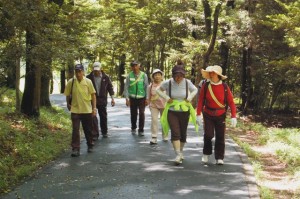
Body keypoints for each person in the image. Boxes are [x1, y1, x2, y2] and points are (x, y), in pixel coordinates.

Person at [156, 61, 198, 165]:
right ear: (173, 75)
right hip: (172, 110)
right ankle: (178, 154)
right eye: (176, 75)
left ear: (183, 75)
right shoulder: (168, 82)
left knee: (183, 133)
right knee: (175, 132)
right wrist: (166, 97)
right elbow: (158, 90)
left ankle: (181, 151)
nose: (178, 78)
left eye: (181, 76)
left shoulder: (187, 82)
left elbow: (195, 90)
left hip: (184, 110)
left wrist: (189, 97)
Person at [196, 65, 237, 165]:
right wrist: (198, 114)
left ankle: (219, 157)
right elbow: (201, 100)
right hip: (208, 114)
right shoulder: (206, 86)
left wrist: (233, 116)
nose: (211, 74)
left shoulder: (225, 87)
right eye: (210, 72)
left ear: (218, 75)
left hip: (221, 114)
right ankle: (206, 153)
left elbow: (231, 102)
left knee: (220, 136)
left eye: (213, 72)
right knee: (208, 134)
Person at [64, 63, 97, 157]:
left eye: (79, 71)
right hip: (75, 110)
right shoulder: (71, 82)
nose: (78, 74)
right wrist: (68, 104)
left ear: (83, 72)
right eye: (76, 72)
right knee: (75, 130)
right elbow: (67, 94)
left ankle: (90, 144)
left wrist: (94, 108)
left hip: (87, 110)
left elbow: (93, 95)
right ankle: (75, 148)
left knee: (88, 129)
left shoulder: (88, 82)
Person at [87, 62, 115, 139]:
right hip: (92, 100)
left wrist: (112, 98)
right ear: (92, 69)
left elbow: (110, 88)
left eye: (98, 70)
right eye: (95, 70)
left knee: (103, 116)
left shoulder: (106, 77)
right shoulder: (88, 78)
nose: (96, 72)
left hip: (102, 99)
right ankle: (95, 133)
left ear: (101, 69)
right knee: (93, 116)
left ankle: (104, 131)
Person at [124, 61, 149, 136]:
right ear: (131, 67)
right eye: (133, 66)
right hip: (132, 98)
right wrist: (127, 99)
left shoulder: (144, 75)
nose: (135, 68)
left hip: (142, 98)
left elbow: (146, 87)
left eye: (136, 66)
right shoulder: (129, 75)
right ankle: (133, 127)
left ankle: (141, 129)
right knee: (133, 113)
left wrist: (147, 98)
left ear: (139, 66)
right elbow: (126, 87)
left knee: (142, 113)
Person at [147, 69, 167, 145]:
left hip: (164, 105)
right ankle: (154, 137)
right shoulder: (150, 86)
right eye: (155, 75)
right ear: (153, 77)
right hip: (154, 105)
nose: (157, 76)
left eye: (159, 75)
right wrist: (149, 104)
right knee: (154, 120)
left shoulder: (165, 85)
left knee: (164, 121)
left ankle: (165, 135)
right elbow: (148, 96)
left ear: (162, 76)